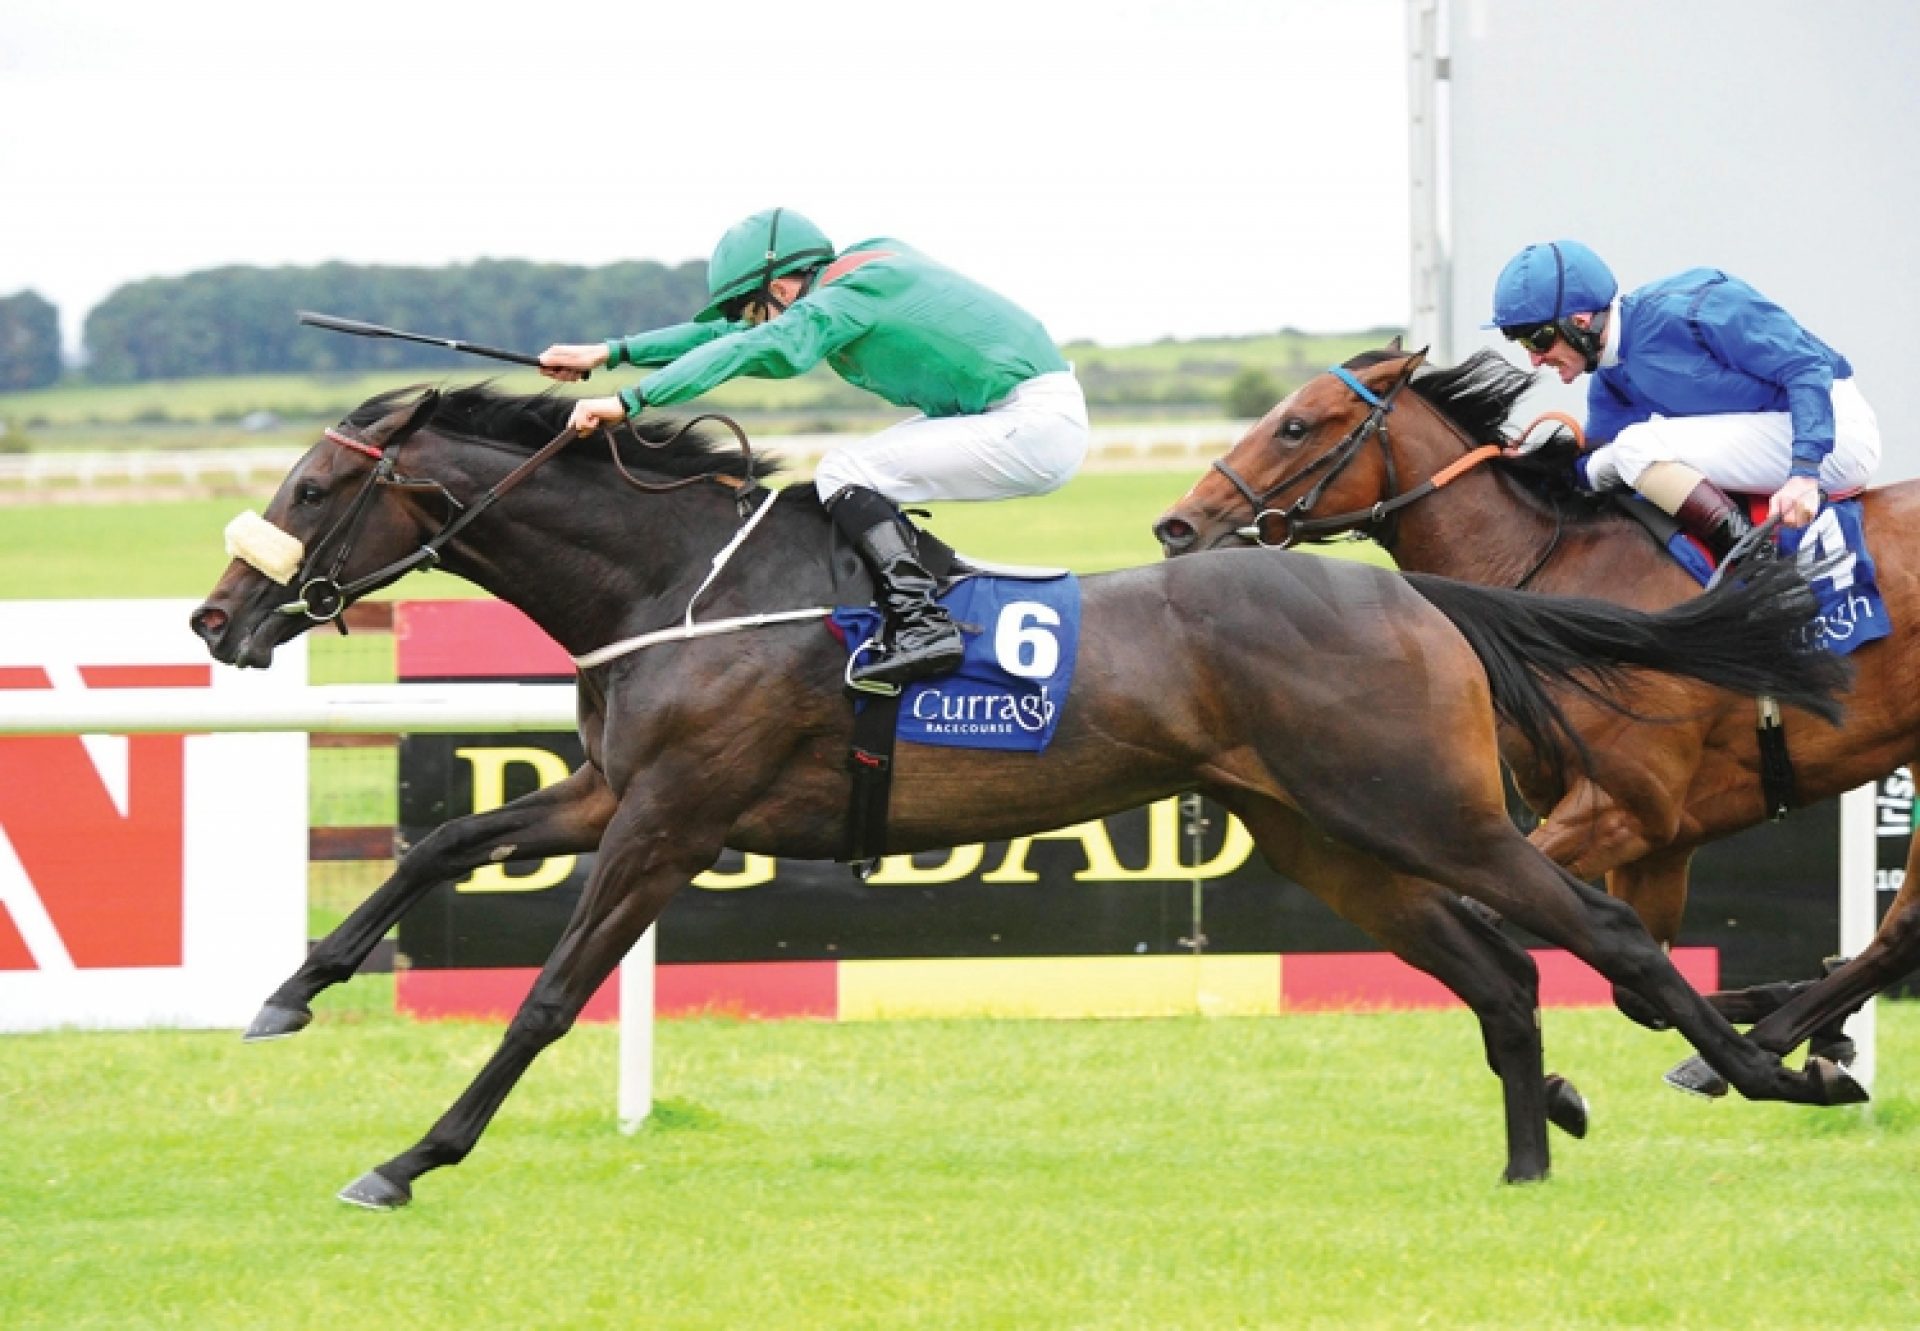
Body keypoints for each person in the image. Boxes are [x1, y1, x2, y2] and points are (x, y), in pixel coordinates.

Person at [540, 207, 1089, 691]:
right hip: (1021, 415)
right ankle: (915, 605)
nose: (753, 324)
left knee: (848, 470)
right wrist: (610, 353)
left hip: (1033, 423)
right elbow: (722, 339)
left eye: (754, 310)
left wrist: (631, 400)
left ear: (780, 288)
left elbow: (753, 347)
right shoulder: (862, 273)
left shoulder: (851, 294)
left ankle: (923, 626)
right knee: (854, 473)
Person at [1487, 240, 1881, 558]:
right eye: (1521, 343)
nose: (1535, 359)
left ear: (1580, 322)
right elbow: (1596, 468)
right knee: (1609, 464)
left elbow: (1807, 369)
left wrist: (1804, 474)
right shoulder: (1612, 378)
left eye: (1537, 339)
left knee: (1638, 447)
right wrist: (1524, 474)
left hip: (1833, 433)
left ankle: (1760, 570)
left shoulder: (1694, 308)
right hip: (1777, 437)